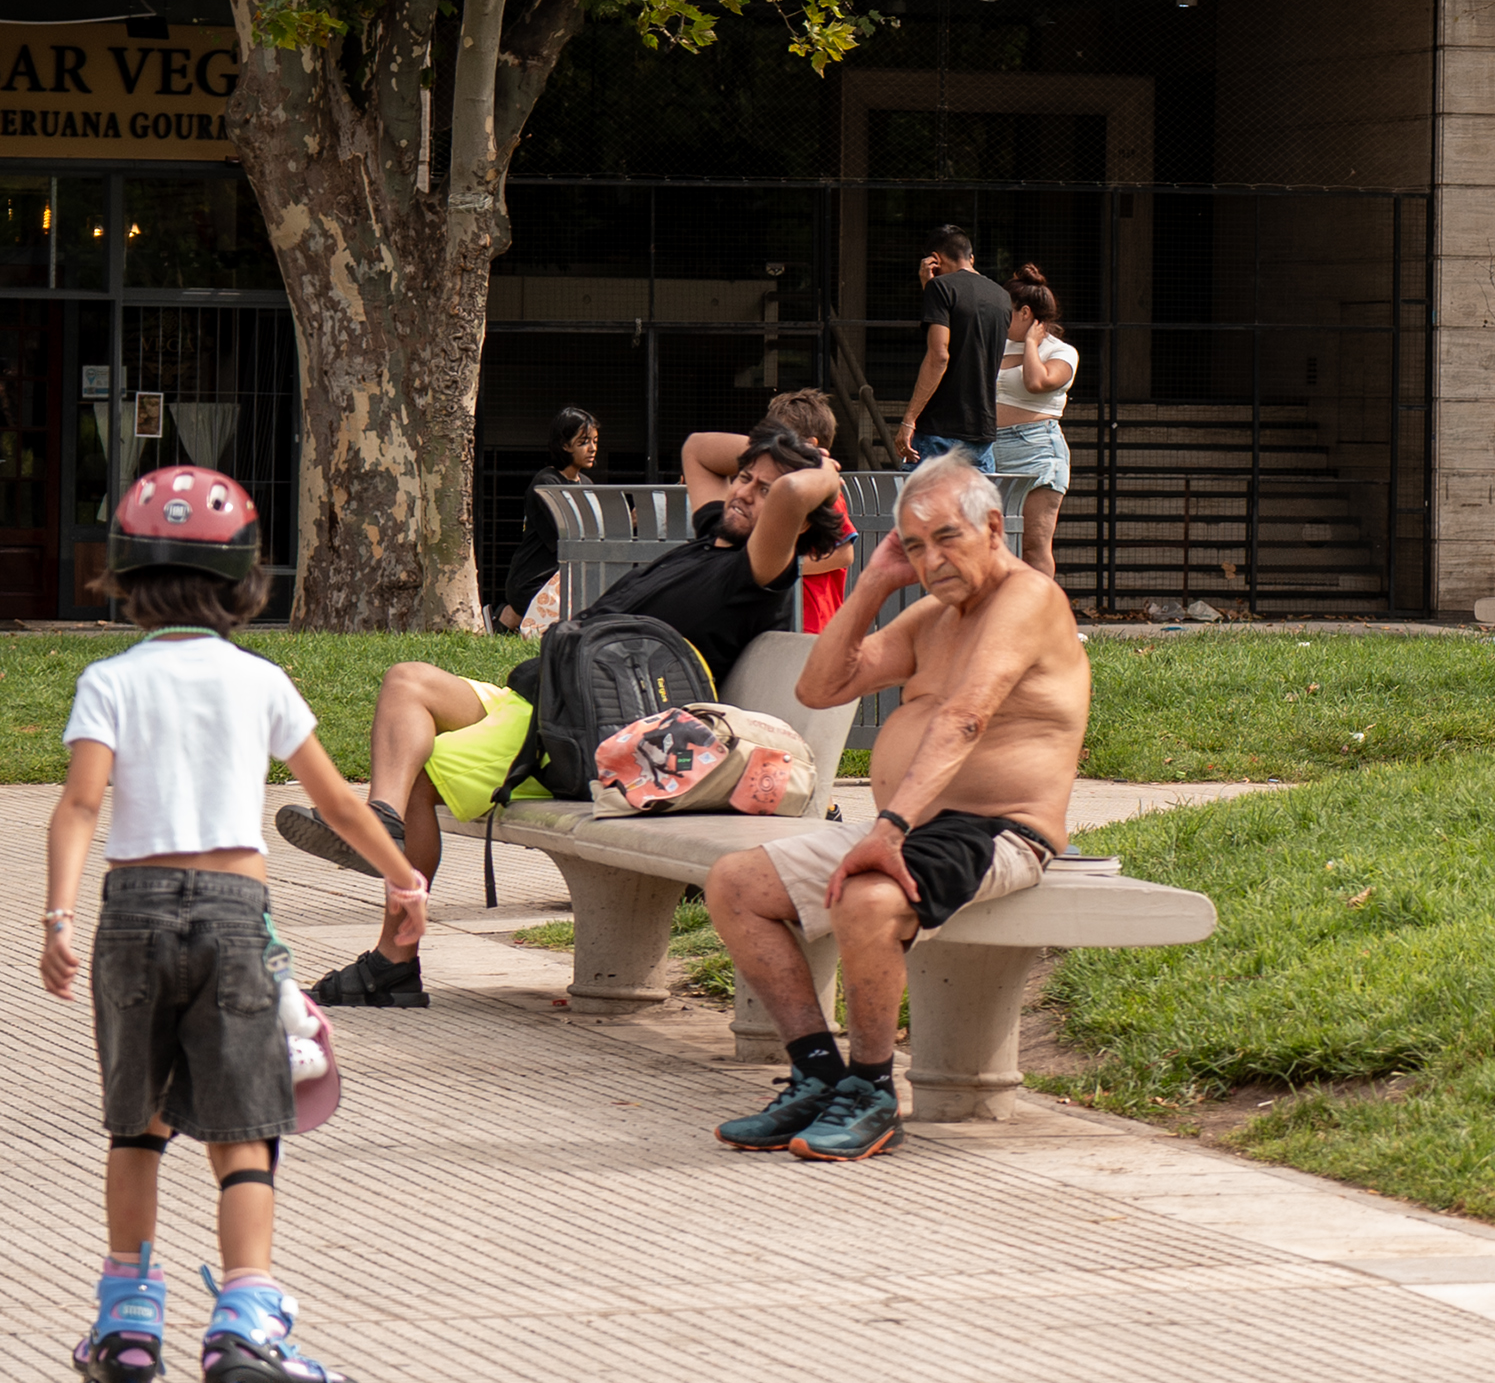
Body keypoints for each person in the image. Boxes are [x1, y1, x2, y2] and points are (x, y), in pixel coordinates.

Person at [41, 466, 426, 1383]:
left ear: (127, 574)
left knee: (138, 1122)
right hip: (232, 911)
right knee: (245, 1125)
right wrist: (399, 878)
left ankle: (127, 1323)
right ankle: (245, 1320)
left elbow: (81, 804)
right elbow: (339, 801)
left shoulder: (109, 679)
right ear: (244, 577)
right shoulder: (259, 679)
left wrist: (55, 916)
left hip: (130, 911)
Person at [275, 422, 846, 1008]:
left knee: (419, 770)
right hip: (549, 701)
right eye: (744, 477)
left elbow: (795, 497)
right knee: (407, 682)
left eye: (765, 489)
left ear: (797, 517)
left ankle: (393, 961)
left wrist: (823, 472)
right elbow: (698, 447)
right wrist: (772, 456)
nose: (745, 491)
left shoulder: (760, 572)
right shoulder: (713, 536)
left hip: (597, 739)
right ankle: (382, 823)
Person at [705, 450, 1089, 1163]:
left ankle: (873, 1091)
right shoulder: (933, 616)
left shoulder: (1027, 598)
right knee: (734, 884)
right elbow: (821, 689)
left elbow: (966, 718)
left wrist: (888, 827)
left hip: (998, 829)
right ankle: (819, 1076)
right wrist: (876, 582)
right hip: (916, 826)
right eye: (915, 546)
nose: (933, 559)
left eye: (946, 537)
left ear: (995, 528)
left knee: (870, 902)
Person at [892, 225, 1012, 472]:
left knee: (924, 510)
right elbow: (968, 338)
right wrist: (930, 290)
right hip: (982, 430)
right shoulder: (1001, 296)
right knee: (972, 509)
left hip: (938, 428)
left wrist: (909, 420)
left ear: (935, 259)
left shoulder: (941, 288)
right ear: (971, 257)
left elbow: (940, 356)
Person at [991, 264, 1079, 578]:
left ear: (1025, 313)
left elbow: (1036, 383)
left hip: (1036, 449)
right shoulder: (995, 344)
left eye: (1006, 311)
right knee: (993, 545)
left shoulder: (1062, 351)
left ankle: (1041, 624)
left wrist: (1031, 344)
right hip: (989, 448)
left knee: (1033, 546)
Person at [492, 406, 598, 633]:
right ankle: (505, 617)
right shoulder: (547, 483)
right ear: (564, 444)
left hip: (564, 578)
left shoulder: (587, 484)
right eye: (584, 441)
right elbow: (571, 533)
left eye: (595, 441)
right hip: (534, 580)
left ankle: (506, 619)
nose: (592, 448)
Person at [763, 387, 857, 633]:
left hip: (813, 621)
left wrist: (783, 568)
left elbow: (844, 554)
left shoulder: (825, 492)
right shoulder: (783, 488)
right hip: (786, 618)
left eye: (779, 439)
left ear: (810, 445)